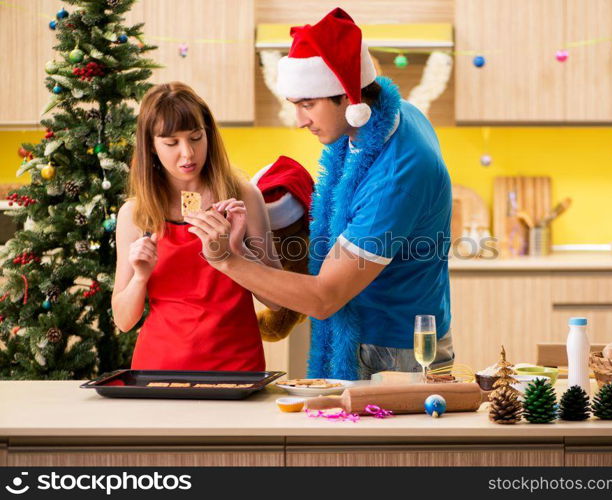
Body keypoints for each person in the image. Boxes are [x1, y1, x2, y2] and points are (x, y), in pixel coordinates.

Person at [184, 8, 453, 380]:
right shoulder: (391, 117)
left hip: (393, 354)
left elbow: (325, 297)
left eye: (308, 105)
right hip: (390, 338)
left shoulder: (396, 175)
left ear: (348, 96)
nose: (299, 121)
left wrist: (227, 260)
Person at [111, 82, 281, 371]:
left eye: (195, 138)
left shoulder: (243, 197)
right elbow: (124, 321)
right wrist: (140, 277)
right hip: (159, 370)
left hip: (237, 369)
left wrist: (237, 250)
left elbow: (277, 300)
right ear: (151, 146)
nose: (187, 154)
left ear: (209, 136)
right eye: (171, 143)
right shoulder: (136, 215)